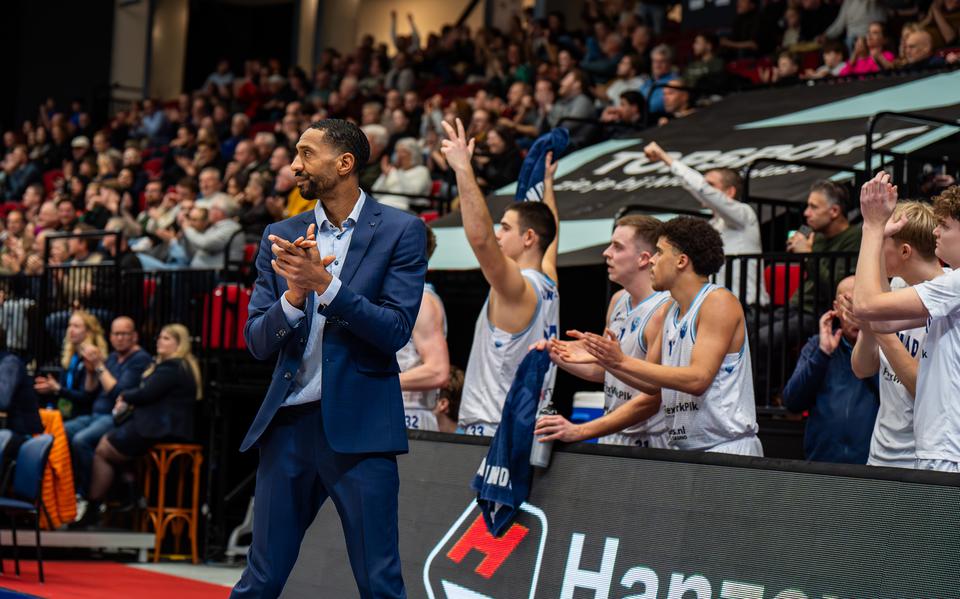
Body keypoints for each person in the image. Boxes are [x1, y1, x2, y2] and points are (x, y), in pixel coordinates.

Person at [232, 119, 427, 599]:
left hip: (361, 429)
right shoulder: (280, 234)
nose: (293, 164)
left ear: (344, 163)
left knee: (379, 582)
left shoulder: (402, 231)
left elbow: (394, 331)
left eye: (305, 153)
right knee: (260, 580)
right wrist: (295, 296)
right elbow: (257, 341)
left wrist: (327, 286)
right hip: (289, 426)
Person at [539, 217, 762, 456]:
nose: (652, 259)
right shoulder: (671, 309)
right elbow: (651, 384)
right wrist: (604, 359)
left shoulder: (718, 301)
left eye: (658, 251)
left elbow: (698, 379)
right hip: (686, 448)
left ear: (681, 261)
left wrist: (620, 361)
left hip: (725, 447)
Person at [442, 120, 559, 438]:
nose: (498, 233)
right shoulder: (549, 279)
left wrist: (462, 168)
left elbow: (481, 241)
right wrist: (547, 184)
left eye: (506, 227)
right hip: (525, 427)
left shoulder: (516, 288)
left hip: (491, 428)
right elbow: (551, 236)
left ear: (529, 238)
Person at [535, 215, 672, 447]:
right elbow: (606, 371)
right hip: (613, 433)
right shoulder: (618, 300)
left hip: (648, 441)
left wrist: (581, 430)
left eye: (617, 247)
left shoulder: (664, 309)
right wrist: (555, 354)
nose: (606, 253)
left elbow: (652, 396)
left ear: (644, 259)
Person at [853, 177, 960, 472]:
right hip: (934, 448)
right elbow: (881, 322)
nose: (936, 232)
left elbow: (866, 307)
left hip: (948, 450)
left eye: (946, 226)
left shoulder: (956, 284)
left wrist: (872, 229)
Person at [83, 324, 200, 522]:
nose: (160, 341)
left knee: (103, 447)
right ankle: (128, 489)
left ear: (179, 344)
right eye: (160, 337)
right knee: (106, 442)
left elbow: (145, 394)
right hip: (158, 426)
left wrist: (124, 395)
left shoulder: (173, 367)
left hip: (162, 428)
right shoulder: (176, 366)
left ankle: (107, 500)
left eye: (166, 338)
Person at [643, 142, 767, 307]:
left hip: (750, 309)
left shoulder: (744, 214)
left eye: (711, 185)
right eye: (705, 184)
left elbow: (702, 190)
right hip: (715, 305)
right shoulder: (713, 224)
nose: (704, 188)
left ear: (729, 192)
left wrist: (666, 159)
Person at [783, 276, 879, 464]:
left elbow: (893, 399)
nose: (855, 312)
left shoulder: (885, 348)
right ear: (836, 307)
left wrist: (869, 341)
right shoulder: (817, 346)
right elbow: (792, 402)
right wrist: (823, 354)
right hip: (822, 465)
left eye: (861, 303)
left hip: (872, 466)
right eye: (848, 303)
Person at [69, 316, 151, 501]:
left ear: (135, 336)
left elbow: (119, 393)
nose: (120, 338)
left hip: (115, 418)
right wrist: (91, 371)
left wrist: (98, 365)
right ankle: (66, 492)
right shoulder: (113, 358)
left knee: (81, 441)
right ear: (110, 337)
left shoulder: (140, 359)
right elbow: (90, 391)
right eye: (116, 334)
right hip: (94, 414)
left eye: (124, 334)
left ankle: (84, 495)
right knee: (61, 432)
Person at [399, 226, 450, 431]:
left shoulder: (422, 301)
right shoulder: (399, 296)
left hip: (412, 413)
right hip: (391, 408)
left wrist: (378, 383)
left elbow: (438, 371)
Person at [34, 310, 107, 420]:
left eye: (76, 326)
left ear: (88, 332)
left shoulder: (92, 356)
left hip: (84, 415)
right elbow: (66, 388)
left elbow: (87, 397)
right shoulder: (72, 357)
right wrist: (52, 387)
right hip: (66, 412)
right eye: (69, 325)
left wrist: (58, 389)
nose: (70, 330)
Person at [372, 137, 432, 212]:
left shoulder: (422, 171)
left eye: (403, 151)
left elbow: (412, 194)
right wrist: (385, 175)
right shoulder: (393, 170)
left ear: (413, 153)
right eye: (397, 151)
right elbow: (375, 193)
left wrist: (399, 171)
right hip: (383, 206)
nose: (399, 155)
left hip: (407, 209)